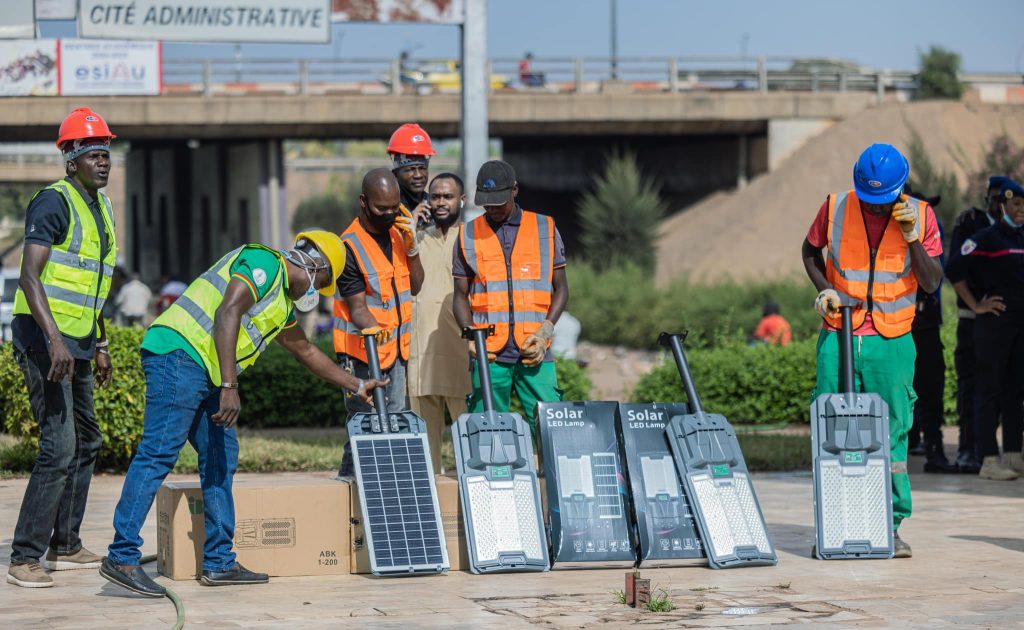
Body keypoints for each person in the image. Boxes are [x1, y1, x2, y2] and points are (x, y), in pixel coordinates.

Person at [100, 231, 386, 596]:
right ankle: (121, 556)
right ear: (316, 268)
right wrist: (230, 388)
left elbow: (306, 352)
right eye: (324, 284)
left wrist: (354, 384)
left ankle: (219, 561)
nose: (317, 295)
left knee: (222, 455)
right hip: (178, 353)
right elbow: (228, 310)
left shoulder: (281, 305)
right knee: (158, 452)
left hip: (207, 372)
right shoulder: (264, 262)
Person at [801, 144, 943, 558]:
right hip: (838, 332)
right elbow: (809, 253)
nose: (876, 209)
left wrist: (914, 237)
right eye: (870, 200)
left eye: (884, 201)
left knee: (893, 432)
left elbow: (932, 282)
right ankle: (835, 523)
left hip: (893, 338)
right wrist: (824, 289)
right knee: (831, 427)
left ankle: (891, 524)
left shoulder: (923, 215)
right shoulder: (835, 207)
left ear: (902, 187)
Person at [6, 108, 118, 589]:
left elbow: (92, 283)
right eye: (93, 153)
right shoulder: (54, 202)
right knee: (60, 445)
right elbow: (30, 277)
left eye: (106, 153)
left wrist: (103, 342)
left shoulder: (102, 207)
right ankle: (24, 556)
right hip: (43, 338)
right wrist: (55, 340)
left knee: (88, 439)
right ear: (71, 160)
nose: (103, 161)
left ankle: (65, 543)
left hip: (81, 341)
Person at [453, 160, 569, 435]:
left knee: (551, 429)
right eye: (486, 203)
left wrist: (545, 332)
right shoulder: (467, 234)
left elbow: (561, 289)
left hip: (535, 351)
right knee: (485, 431)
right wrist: (470, 336)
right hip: (488, 354)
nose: (492, 209)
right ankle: (492, 478)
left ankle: (549, 478)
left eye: (498, 202)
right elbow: (459, 295)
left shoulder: (545, 228)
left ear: (515, 190)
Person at [333, 169, 424, 480]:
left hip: (395, 354)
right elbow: (358, 308)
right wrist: (378, 336)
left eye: (394, 208)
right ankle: (349, 488)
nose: (389, 215)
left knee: (394, 421)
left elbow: (416, 286)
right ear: (363, 202)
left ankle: (387, 488)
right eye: (381, 209)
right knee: (365, 425)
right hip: (362, 354)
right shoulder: (348, 246)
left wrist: (412, 248)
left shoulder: (400, 234)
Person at [945, 179, 1024, 481]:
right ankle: (989, 459)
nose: (1021, 210)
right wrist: (976, 304)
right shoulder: (985, 238)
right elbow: (953, 270)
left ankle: (1014, 456)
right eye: (1015, 204)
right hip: (994, 325)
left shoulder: (1020, 238)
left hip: (1019, 327)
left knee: (1015, 390)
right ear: (1001, 206)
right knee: (988, 390)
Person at [407, 173, 470, 473]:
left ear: (463, 201)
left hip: (463, 350)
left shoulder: (473, 240)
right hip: (422, 353)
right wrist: (409, 227)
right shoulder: (416, 239)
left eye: (448, 196)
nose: (441, 202)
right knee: (425, 450)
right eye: (435, 197)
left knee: (470, 438)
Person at [903, 188, 956, 473]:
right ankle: (909, 442)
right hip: (899, 322)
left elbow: (936, 276)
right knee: (901, 387)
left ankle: (934, 450)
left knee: (931, 385)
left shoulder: (930, 227)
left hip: (926, 322)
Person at [387, 123, 434, 225]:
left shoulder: (434, 204)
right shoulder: (387, 208)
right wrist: (410, 222)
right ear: (396, 173)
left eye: (422, 168)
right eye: (410, 169)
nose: (418, 175)